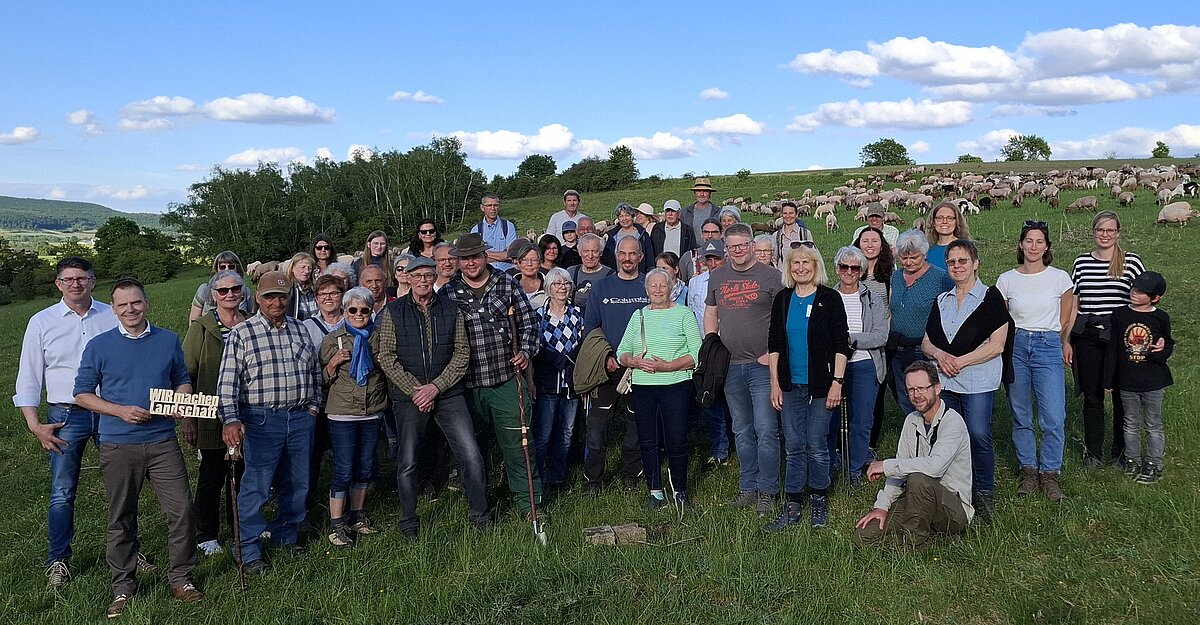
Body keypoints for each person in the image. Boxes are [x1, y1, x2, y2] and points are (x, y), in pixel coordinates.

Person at [73, 278, 202, 617]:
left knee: (182, 511)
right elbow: (82, 394)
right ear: (114, 309)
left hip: (162, 441)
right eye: (123, 305)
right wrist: (119, 410)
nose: (130, 309)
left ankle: (182, 578)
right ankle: (123, 587)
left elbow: (181, 378)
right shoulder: (100, 346)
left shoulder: (168, 340)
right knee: (121, 517)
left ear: (146, 303)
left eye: (136, 302)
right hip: (118, 443)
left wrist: (181, 399)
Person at [15, 257, 118, 588]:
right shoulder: (41, 322)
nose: (76, 284)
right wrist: (35, 424)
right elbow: (29, 376)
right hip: (65, 416)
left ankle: (128, 552)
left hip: (109, 411)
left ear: (93, 281)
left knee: (122, 485)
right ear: (58, 284)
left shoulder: (112, 315)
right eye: (68, 279)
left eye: (82, 278)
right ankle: (58, 559)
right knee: (62, 490)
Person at [217, 270, 324, 575]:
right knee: (257, 487)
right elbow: (227, 384)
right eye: (269, 297)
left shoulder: (300, 329)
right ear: (258, 299)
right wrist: (231, 419)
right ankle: (247, 549)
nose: (276, 302)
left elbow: (315, 372)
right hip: (261, 419)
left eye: (282, 296)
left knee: (298, 483)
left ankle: (285, 536)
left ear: (289, 298)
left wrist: (313, 407)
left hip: (300, 417)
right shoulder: (242, 333)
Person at [376, 257, 492, 537]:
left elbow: (462, 353)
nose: (423, 281)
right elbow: (386, 356)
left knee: (471, 455)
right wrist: (416, 390)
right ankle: (408, 521)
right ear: (408, 278)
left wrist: (436, 387)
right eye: (417, 276)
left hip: (448, 393)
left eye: (428, 275)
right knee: (408, 461)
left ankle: (481, 515)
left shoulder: (451, 309)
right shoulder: (393, 311)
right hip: (409, 397)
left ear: (435, 276)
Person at [444, 233, 544, 518]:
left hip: (506, 379)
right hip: (466, 384)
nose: (471, 263)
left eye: (475, 256)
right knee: (472, 452)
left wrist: (525, 352)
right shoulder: (448, 293)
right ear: (458, 261)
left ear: (485, 256)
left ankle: (530, 505)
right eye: (465, 258)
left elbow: (529, 325)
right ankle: (480, 507)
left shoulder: (507, 283)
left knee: (519, 447)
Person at [922, 239, 1012, 522]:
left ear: (975, 264)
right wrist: (939, 354)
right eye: (951, 262)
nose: (957, 266)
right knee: (949, 437)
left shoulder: (991, 298)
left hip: (977, 382)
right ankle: (953, 490)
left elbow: (997, 345)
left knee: (978, 434)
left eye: (962, 261)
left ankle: (984, 492)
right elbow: (926, 341)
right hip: (946, 383)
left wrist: (959, 362)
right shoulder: (942, 301)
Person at [764, 246, 849, 530]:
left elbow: (841, 344)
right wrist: (775, 382)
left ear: (816, 266)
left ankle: (819, 499)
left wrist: (837, 382)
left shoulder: (829, 298)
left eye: (806, 262)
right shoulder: (783, 299)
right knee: (793, 444)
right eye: (795, 263)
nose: (800, 267)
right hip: (790, 384)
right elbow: (774, 343)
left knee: (816, 443)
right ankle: (793, 504)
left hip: (822, 385)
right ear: (789, 268)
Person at [705, 223, 784, 515]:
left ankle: (768, 490)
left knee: (766, 430)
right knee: (741, 429)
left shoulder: (771, 276)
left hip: (762, 366)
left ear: (752, 245)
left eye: (742, 245)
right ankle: (747, 487)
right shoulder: (718, 276)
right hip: (730, 366)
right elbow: (711, 313)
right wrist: (712, 345)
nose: (737, 251)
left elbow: (783, 318)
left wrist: (773, 354)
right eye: (732, 246)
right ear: (725, 249)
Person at [853, 361, 973, 551]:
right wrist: (882, 506)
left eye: (922, 388)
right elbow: (899, 473)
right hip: (916, 499)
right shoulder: (911, 420)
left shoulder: (953, 422)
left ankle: (913, 546)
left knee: (918, 479)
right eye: (911, 390)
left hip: (952, 509)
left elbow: (935, 467)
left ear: (937, 388)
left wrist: (886, 465)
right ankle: (929, 538)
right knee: (864, 536)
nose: (917, 395)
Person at [996, 220, 1073, 501]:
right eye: (1029, 241)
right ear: (1021, 244)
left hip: (1047, 346)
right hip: (1017, 346)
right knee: (1021, 413)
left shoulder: (1060, 278)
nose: (1033, 246)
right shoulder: (1006, 280)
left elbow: (1066, 317)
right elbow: (1002, 319)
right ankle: (1028, 469)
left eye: (1039, 241)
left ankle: (1050, 473)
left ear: (1047, 247)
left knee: (1053, 415)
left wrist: (1059, 340)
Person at [618, 269, 702, 510]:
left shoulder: (684, 314)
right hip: (643, 386)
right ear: (646, 290)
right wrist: (634, 361)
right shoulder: (638, 316)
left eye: (662, 286)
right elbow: (622, 351)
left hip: (676, 385)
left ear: (671, 288)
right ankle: (655, 492)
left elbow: (697, 352)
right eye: (652, 286)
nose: (657, 290)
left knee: (676, 439)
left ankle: (679, 491)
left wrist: (668, 366)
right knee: (648, 440)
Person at [181, 270, 249, 557]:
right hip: (210, 413)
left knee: (243, 472)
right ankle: (206, 533)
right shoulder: (202, 328)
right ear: (213, 295)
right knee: (212, 473)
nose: (230, 294)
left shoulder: (252, 322)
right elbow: (185, 373)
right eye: (223, 291)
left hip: (247, 411)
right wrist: (188, 418)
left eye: (235, 289)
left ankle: (241, 525)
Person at [1069, 210, 1144, 468]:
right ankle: (1093, 452)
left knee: (1122, 395)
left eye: (1110, 230)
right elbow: (1074, 303)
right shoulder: (1081, 263)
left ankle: (1120, 452)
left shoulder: (1131, 262)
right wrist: (1066, 339)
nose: (1105, 234)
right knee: (1092, 396)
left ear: (1118, 233)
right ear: (1093, 232)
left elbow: (1144, 297)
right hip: (1088, 336)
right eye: (1100, 230)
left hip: (1120, 336)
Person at [318, 287, 387, 547]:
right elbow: (321, 379)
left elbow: (389, 368)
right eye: (353, 310)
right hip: (342, 413)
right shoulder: (333, 340)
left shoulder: (379, 338)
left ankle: (357, 515)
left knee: (365, 466)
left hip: (372, 410)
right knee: (343, 468)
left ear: (371, 311)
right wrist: (333, 363)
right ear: (345, 311)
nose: (359, 315)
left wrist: (381, 362)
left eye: (364, 310)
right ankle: (336, 524)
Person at [581, 236, 650, 494]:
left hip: (640, 368)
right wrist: (605, 357)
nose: (627, 258)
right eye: (623, 253)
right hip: (608, 367)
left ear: (640, 256)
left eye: (632, 254)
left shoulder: (649, 285)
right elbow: (591, 327)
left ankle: (630, 475)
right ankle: (592, 481)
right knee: (597, 426)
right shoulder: (601, 288)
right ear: (617, 255)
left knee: (637, 423)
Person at [1105, 271, 1173, 484]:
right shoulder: (1119, 314)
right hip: (1127, 381)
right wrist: (1109, 379)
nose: (1134, 292)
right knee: (1130, 423)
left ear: (1155, 298)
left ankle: (1154, 463)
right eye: (1134, 288)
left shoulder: (1160, 317)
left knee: (1153, 424)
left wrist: (1160, 350)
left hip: (1153, 380)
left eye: (1142, 291)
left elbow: (1167, 345)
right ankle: (1131, 460)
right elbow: (1113, 348)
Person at [829, 246, 888, 489]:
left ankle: (854, 467)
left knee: (862, 420)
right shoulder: (827, 297)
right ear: (837, 269)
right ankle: (830, 462)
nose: (849, 271)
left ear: (862, 271)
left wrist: (848, 340)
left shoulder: (873, 298)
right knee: (829, 418)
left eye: (855, 268)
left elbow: (880, 335)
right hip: (832, 365)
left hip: (864, 363)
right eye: (844, 266)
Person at [889, 230, 954, 418]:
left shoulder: (941, 278)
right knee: (905, 396)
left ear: (924, 254)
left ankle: (934, 431)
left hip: (924, 350)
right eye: (904, 258)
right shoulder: (896, 277)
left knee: (927, 398)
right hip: (898, 348)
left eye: (914, 257)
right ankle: (914, 430)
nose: (909, 262)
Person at [532, 267, 585, 492]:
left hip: (570, 383)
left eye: (566, 284)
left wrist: (569, 359)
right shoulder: (539, 316)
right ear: (548, 288)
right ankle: (536, 480)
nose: (562, 288)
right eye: (557, 284)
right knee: (543, 435)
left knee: (567, 433)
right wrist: (554, 359)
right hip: (547, 382)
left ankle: (557, 478)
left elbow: (583, 340)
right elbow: (535, 346)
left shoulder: (578, 313)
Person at [686, 240, 731, 469]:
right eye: (709, 259)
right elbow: (693, 313)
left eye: (717, 258)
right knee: (712, 399)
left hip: (731, 345)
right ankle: (719, 450)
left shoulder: (733, 279)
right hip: (709, 348)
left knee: (734, 400)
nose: (713, 263)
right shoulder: (695, 282)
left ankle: (736, 444)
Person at [855, 226, 894, 458]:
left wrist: (883, 335)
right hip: (855, 341)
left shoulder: (889, 276)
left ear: (882, 245)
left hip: (880, 340)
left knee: (876, 394)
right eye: (865, 241)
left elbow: (890, 308)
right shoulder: (850, 271)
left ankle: (870, 443)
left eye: (874, 241)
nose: (869, 245)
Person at [189, 251, 254, 323]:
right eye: (222, 267)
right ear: (216, 270)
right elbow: (193, 321)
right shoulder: (204, 289)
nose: (227, 270)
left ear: (237, 269)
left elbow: (250, 317)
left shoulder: (245, 291)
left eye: (231, 267)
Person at [469, 194, 517, 272]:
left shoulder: (508, 226)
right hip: (486, 274)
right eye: (489, 205)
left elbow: (512, 255)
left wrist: (486, 254)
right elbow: (476, 259)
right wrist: (503, 256)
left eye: (495, 205)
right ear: (482, 207)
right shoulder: (476, 230)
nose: (493, 208)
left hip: (507, 272)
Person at [602, 203, 654, 273]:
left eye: (627, 215)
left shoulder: (643, 234)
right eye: (621, 216)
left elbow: (650, 258)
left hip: (639, 275)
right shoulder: (612, 236)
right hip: (617, 275)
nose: (624, 219)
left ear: (632, 217)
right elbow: (606, 258)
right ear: (618, 219)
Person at [568, 233, 613, 314]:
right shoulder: (571, 273)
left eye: (594, 251)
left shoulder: (611, 275)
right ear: (579, 252)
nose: (590, 256)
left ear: (601, 252)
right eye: (586, 251)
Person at [925, 202, 971, 271]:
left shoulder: (965, 248)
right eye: (940, 218)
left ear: (957, 222)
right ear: (933, 222)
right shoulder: (925, 249)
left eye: (950, 218)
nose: (944, 221)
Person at [679, 218, 723, 283]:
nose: (710, 236)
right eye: (706, 232)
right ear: (701, 234)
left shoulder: (729, 255)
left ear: (721, 234)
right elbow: (681, 282)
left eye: (714, 232)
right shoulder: (689, 256)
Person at [774, 201, 814, 269]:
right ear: (782, 215)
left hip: (800, 272)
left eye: (791, 213)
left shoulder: (805, 234)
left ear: (796, 214)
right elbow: (774, 258)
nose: (788, 216)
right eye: (785, 213)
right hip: (782, 273)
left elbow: (811, 255)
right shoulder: (776, 236)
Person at [514, 244, 548, 309]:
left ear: (540, 263)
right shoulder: (509, 286)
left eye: (534, 260)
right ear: (518, 263)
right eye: (525, 260)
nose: (529, 264)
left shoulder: (549, 286)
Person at [286, 252, 318, 321]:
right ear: (292, 268)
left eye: (309, 268)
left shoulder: (314, 289)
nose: (307, 271)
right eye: (303, 267)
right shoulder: (287, 290)